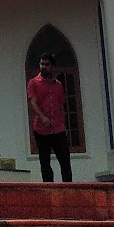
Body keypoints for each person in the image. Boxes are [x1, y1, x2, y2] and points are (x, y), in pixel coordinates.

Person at [26, 52, 73, 182]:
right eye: (42, 64)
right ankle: (49, 188)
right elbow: (33, 102)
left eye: (47, 64)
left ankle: (68, 188)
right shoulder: (33, 83)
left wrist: (63, 124)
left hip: (58, 128)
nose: (44, 67)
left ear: (52, 66)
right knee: (45, 162)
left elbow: (61, 105)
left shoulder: (58, 85)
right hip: (41, 129)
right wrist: (42, 117)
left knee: (65, 160)